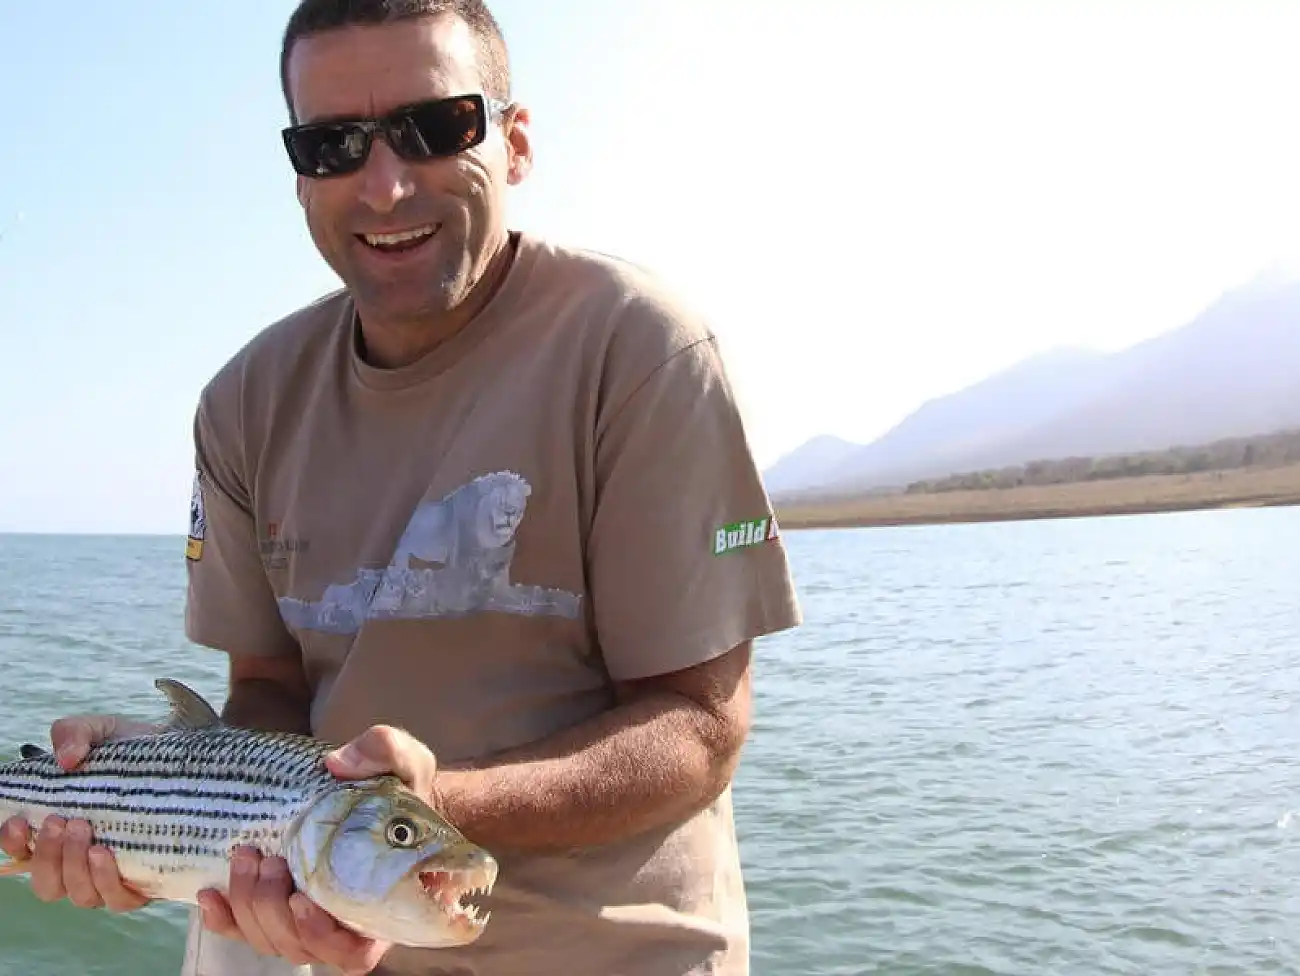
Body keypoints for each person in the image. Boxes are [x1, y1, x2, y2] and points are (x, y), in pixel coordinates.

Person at [0, 1, 802, 974]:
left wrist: (419, 811)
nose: (384, 186)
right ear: (300, 174)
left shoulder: (640, 353)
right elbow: (267, 689)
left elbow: (700, 726)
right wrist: (159, 794)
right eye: (333, 144)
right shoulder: (244, 401)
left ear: (514, 142)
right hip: (320, 920)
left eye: (435, 127)